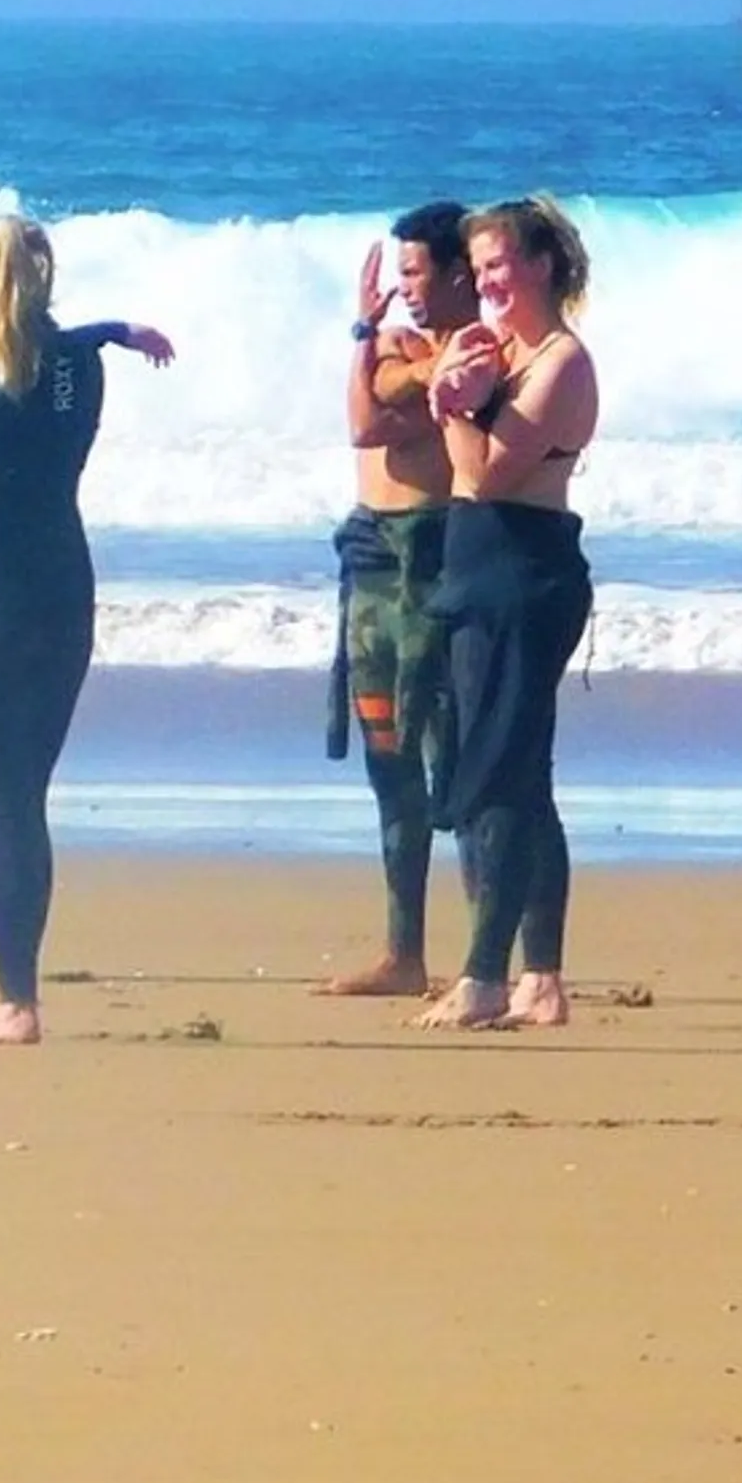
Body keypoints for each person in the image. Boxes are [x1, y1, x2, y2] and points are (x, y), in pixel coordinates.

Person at [0, 215, 172, 1042]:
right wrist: (110, 329)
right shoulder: (79, 367)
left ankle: (15, 1001)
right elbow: (51, 359)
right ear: (46, 276)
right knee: (24, 795)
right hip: (61, 591)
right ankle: (15, 994)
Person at [415, 195, 598, 1033]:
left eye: (500, 264)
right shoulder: (491, 348)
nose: (486, 279)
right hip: (474, 570)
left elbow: (486, 473)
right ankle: (542, 979)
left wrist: (453, 405)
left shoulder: (562, 362)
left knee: (500, 774)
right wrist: (452, 384)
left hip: (527, 573)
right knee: (522, 775)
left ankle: (486, 975)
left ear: (543, 265)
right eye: (479, 266)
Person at [318, 199, 479, 996]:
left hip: (436, 557)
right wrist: (377, 344)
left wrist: (407, 371)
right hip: (372, 560)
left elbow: (375, 422)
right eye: (400, 273)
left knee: (457, 761)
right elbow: (369, 406)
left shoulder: (480, 348)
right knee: (388, 759)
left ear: (458, 274)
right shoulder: (392, 342)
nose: (404, 288)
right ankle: (403, 952)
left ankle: (491, 959)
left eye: (415, 272)